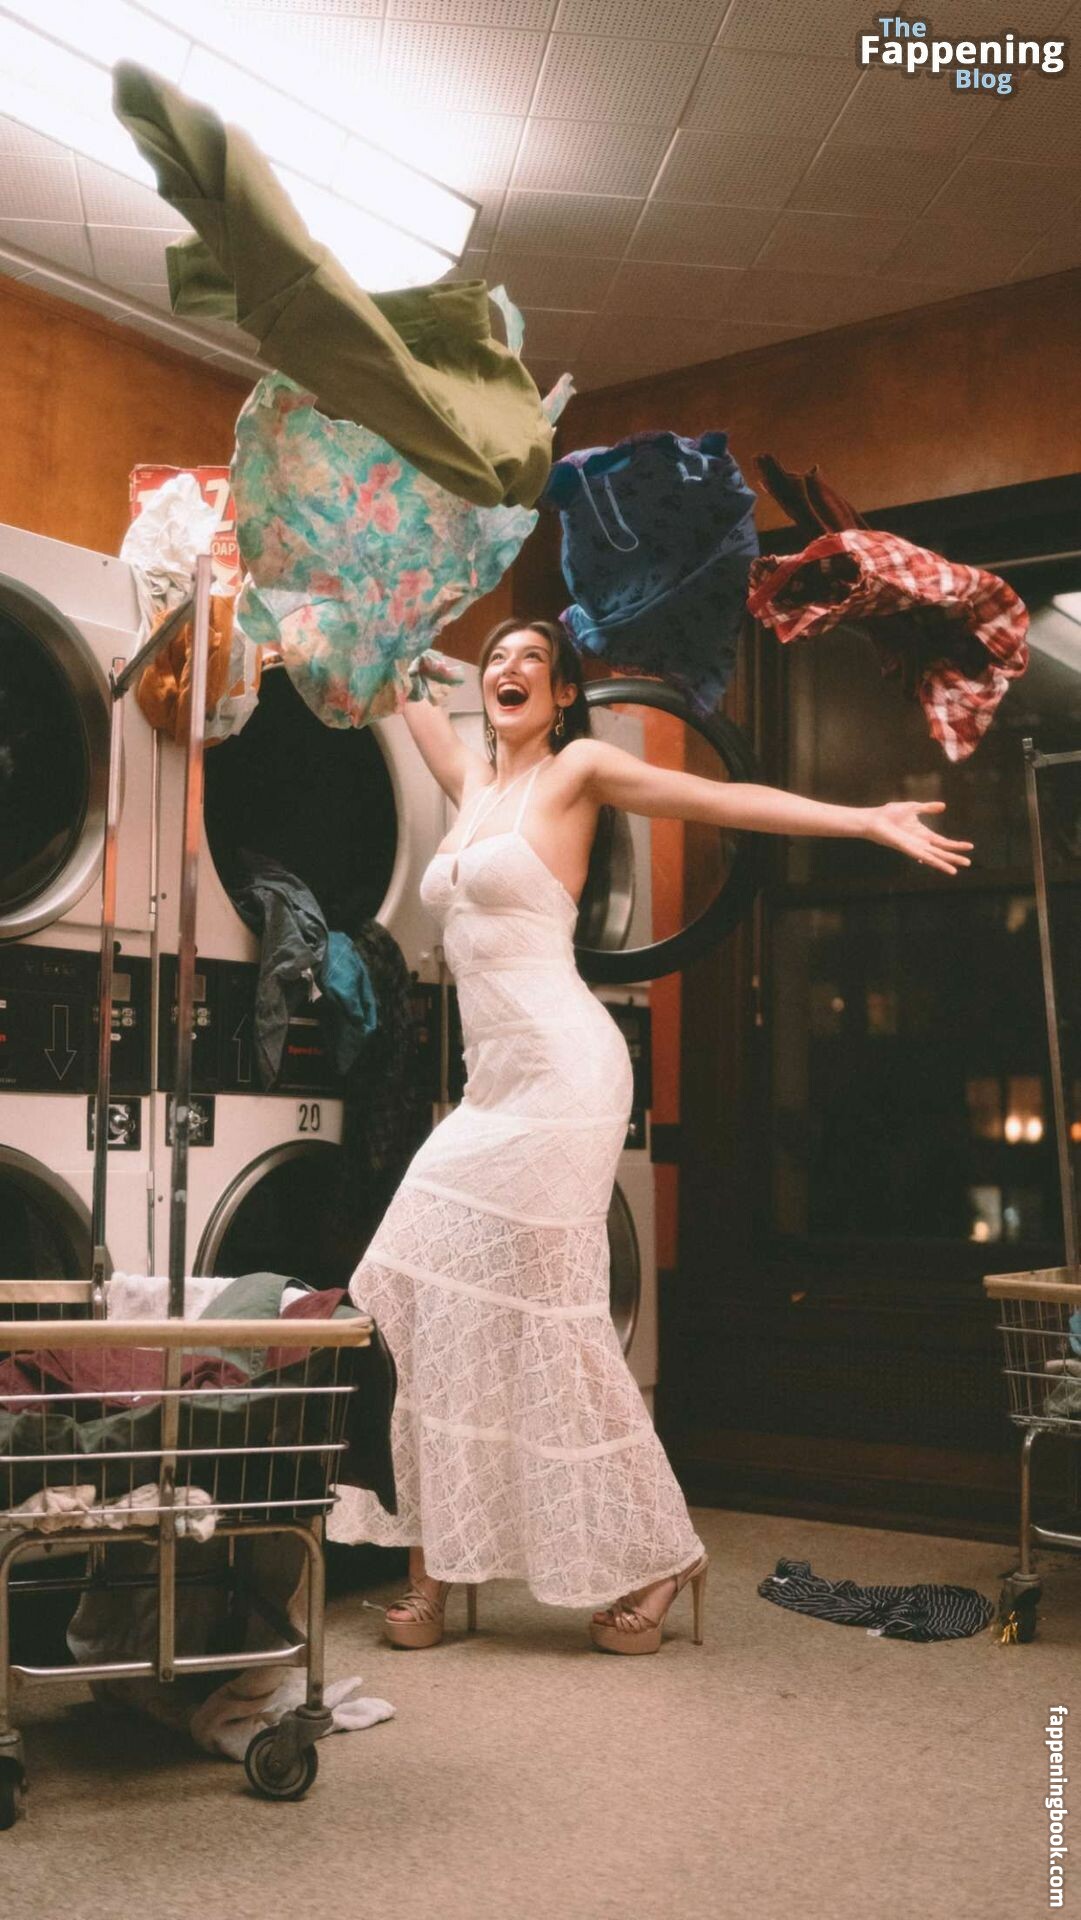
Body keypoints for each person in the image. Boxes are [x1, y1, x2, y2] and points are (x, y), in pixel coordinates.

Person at [329, 618, 972, 1652]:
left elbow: (716, 801)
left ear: (563, 696)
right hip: (490, 1092)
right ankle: (441, 1563)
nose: (509, 668)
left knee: (560, 1322)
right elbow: (389, 667)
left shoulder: (577, 771)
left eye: (533, 659)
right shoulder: (470, 782)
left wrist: (860, 820)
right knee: (421, 1289)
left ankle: (662, 1553)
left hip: (566, 1076)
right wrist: (352, 610)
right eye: (496, 658)